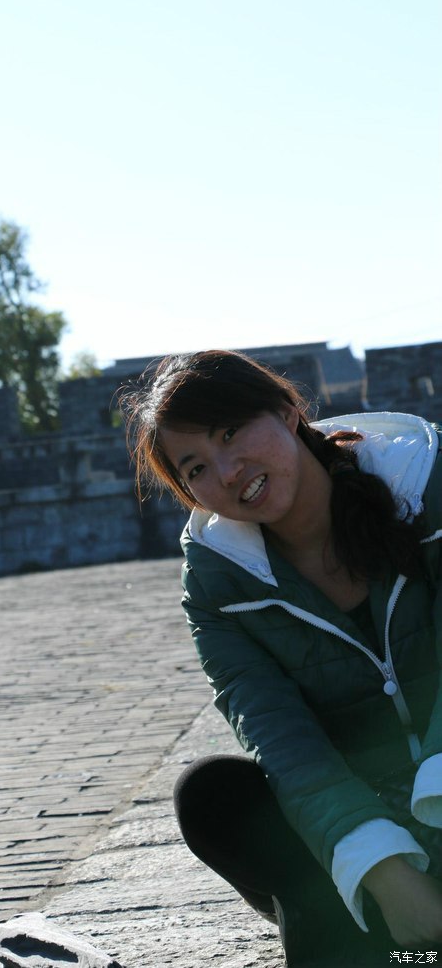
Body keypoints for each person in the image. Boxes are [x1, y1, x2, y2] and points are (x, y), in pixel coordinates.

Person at [122, 349, 442, 967]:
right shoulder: (216, 587)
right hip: (362, 808)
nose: (228, 470)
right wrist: (387, 872)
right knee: (213, 795)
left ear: (289, 411)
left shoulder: (429, 488)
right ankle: (371, 918)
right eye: (196, 467)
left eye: (230, 432)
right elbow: (281, 739)